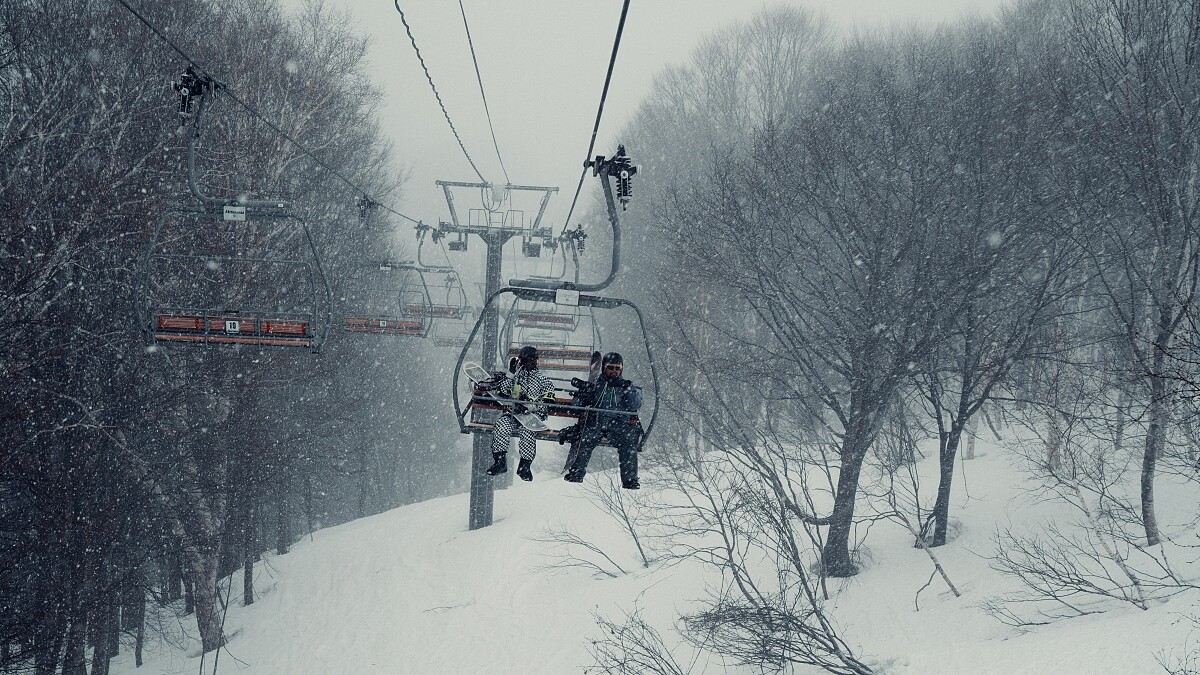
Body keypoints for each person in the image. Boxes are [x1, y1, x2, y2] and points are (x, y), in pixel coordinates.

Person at [562, 352, 643, 489]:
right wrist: (584, 395)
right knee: (586, 439)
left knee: (628, 443)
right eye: (611, 368)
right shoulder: (596, 386)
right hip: (597, 422)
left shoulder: (625, 386)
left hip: (618, 425)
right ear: (604, 368)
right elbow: (575, 405)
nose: (614, 372)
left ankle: (630, 480)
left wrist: (628, 389)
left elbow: (635, 405)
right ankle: (577, 473)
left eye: (618, 368)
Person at [484, 345, 555, 481]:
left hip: (531, 416)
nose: (528, 364)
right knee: (501, 426)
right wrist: (510, 374)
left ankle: (525, 465)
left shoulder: (543, 380)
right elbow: (504, 390)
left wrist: (532, 407)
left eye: (532, 361)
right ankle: (500, 461)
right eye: (525, 361)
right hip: (513, 414)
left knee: (527, 431)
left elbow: (548, 402)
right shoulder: (515, 378)